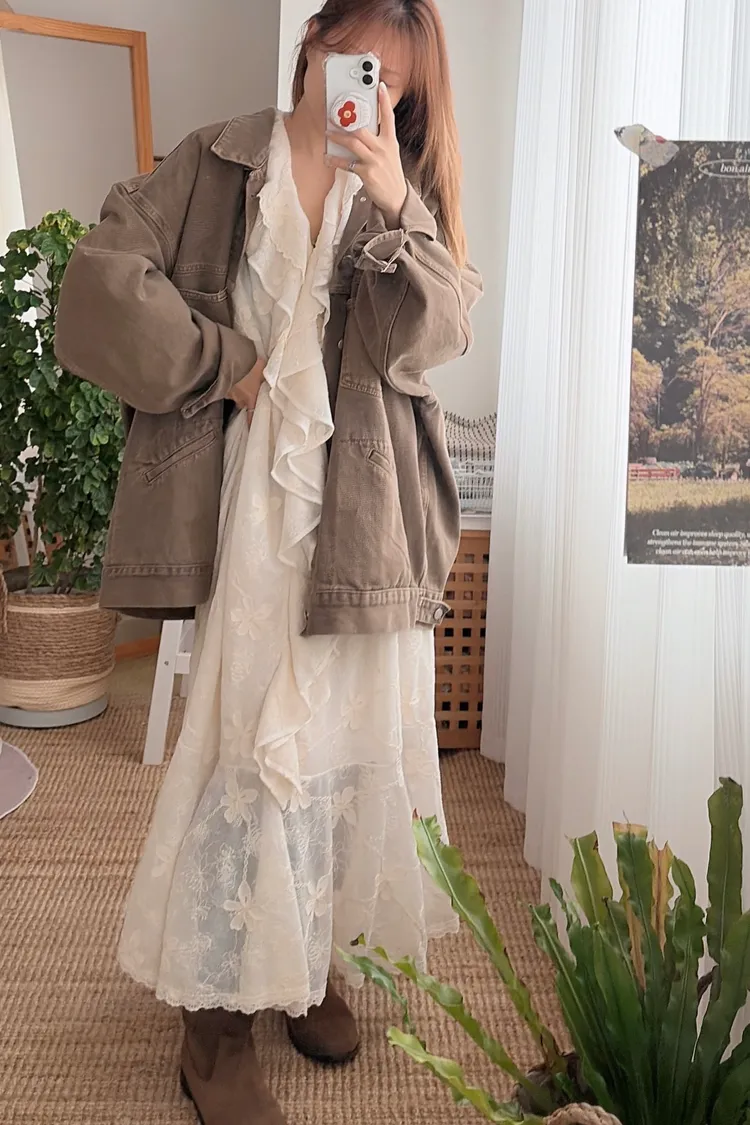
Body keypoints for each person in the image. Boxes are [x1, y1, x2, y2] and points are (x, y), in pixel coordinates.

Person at [55, 1, 482, 1122]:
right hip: (253, 507)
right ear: (314, 44)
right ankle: (214, 1027)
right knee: (247, 738)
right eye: (355, 60)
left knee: (344, 741)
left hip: (368, 514)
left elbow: (439, 339)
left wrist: (396, 202)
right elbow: (97, 285)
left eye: (395, 83)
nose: (367, 90)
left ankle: (306, 963)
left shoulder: (400, 193)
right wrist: (224, 361)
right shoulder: (214, 160)